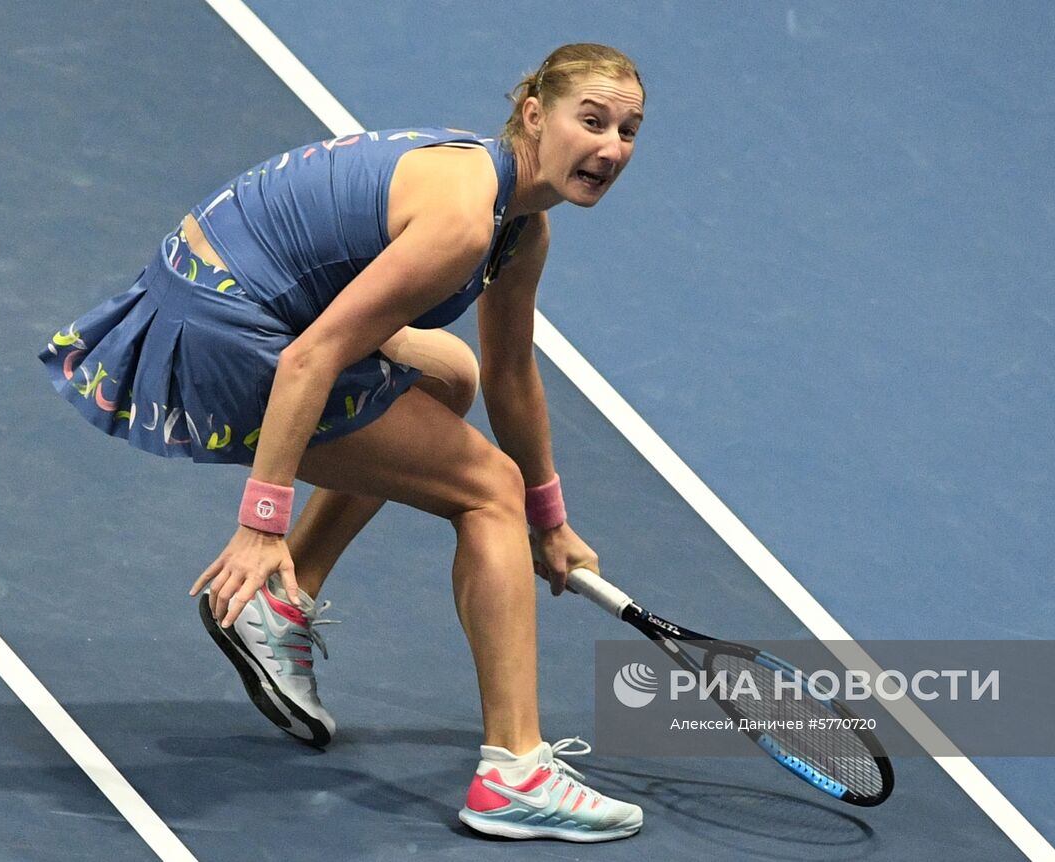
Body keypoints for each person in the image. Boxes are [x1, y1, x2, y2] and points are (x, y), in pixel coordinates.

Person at [40, 43, 646, 842]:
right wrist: (260, 523)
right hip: (225, 331)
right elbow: (311, 358)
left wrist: (552, 517)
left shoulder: (516, 226)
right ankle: (515, 770)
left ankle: (281, 603)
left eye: (629, 131)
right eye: (592, 121)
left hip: (218, 293)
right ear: (535, 114)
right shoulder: (465, 221)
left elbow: (508, 374)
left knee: (448, 376)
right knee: (483, 488)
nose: (610, 148)